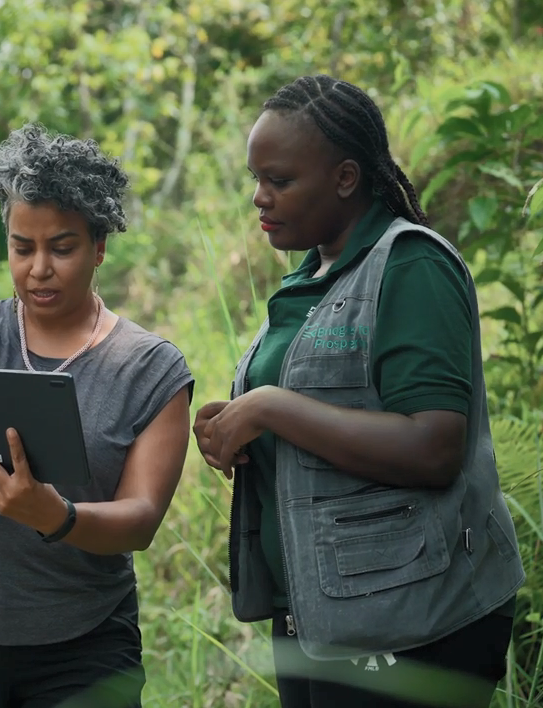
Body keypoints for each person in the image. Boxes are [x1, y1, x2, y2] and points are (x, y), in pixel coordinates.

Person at [193, 74, 525, 708]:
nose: (260, 198)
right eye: (255, 179)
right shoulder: (309, 275)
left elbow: (434, 447)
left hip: (412, 617)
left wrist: (270, 407)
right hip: (314, 608)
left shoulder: (411, 265)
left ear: (346, 178)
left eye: (280, 181)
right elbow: (321, 416)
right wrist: (238, 426)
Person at [0, 122, 196, 708]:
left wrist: (55, 514)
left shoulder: (150, 368)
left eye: (62, 248)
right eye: (22, 248)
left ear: (99, 247)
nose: (38, 268)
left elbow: (142, 519)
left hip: (86, 647)